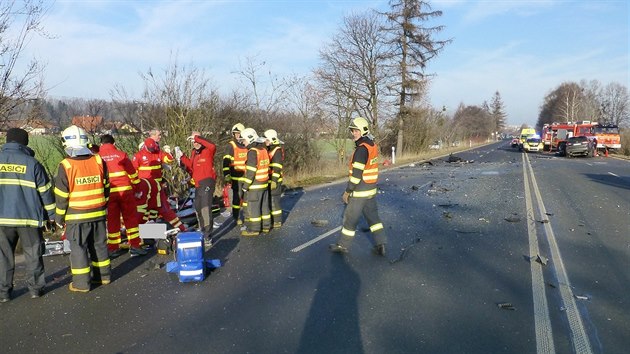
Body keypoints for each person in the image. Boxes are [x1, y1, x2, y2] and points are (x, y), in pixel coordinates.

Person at [0, 128, 56, 302]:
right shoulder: (33, 164)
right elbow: (46, 193)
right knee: (33, 254)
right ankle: (35, 289)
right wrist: (53, 216)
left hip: (2, 219)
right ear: (25, 143)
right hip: (29, 219)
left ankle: (3, 293)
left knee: (3, 256)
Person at [54, 125, 111, 292]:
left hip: (76, 216)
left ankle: (81, 284)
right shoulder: (99, 160)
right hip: (99, 213)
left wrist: (59, 218)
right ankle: (104, 277)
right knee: (99, 245)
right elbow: (107, 187)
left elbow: (61, 196)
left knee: (78, 248)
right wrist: (103, 205)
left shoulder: (66, 165)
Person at [329, 117, 387, 256]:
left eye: (355, 131)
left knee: (350, 219)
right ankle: (381, 244)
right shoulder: (372, 145)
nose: (353, 133)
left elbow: (356, 175)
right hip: (371, 189)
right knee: (374, 219)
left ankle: (342, 246)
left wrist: (347, 191)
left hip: (360, 190)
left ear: (363, 131)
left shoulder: (361, 150)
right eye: (352, 131)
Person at [98, 134, 146, 258]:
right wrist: (137, 189)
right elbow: (133, 174)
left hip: (109, 193)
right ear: (114, 144)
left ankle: (113, 248)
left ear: (101, 144)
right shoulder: (121, 154)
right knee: (130, 218)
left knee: (113, 221)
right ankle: (135, 246)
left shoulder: (97, 157)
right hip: (125, 192)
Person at [132, 130, 186, 232]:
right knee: (144, 210)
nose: (153, 150)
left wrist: (169, 152)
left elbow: (169, 159)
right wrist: (135, 188)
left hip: (157, 187)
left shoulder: (158, 152)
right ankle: (142, 234)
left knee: (158, 210)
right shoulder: (138, 156)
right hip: (144, 188)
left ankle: (150, 234)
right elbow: (133, 173)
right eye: (158, 135)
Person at [176, 131, 217, 245]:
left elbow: (212, 145)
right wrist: (182, 157)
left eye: (197, 140)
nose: (195, 143)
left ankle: (208, 235)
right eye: (193, 141)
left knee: (205, 208)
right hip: (198, 184)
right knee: (198, 208)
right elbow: (191, 166)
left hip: (207, 182)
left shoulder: (208, 150)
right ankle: (203, 230)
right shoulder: (194, 152)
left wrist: (197, 137)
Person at [239, 128, 271, 236]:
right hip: (264, 183)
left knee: (254, 208)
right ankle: (266, 226)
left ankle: (255, 229)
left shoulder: (252, 152)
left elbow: (251, 171)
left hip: (255, 185)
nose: (243, 142)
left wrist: (245, 186)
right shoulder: (263, 150)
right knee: (264, 206)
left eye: (244, 140)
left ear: (249, 139)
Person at [222, 123, 248, 224]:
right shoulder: (231, 145)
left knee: (246, 199)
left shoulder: (247, 144)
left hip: (246, 177)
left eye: (239, 133)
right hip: (235, 177)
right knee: (237, 198)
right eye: (236, 134)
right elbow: (225, 161)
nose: (238, 136)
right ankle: (236, 217)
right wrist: (226, 174)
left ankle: (247, 216)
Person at [263, 129, 284, 229]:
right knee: (269, 200)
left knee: (274, 201)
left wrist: (274, 181)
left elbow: (277, 167)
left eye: (266, 139)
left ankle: (277, 221)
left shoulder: (277, 151)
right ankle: (271, 219)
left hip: (275, 180)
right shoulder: (269, 149)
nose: (265, 141)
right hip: (268, 179)